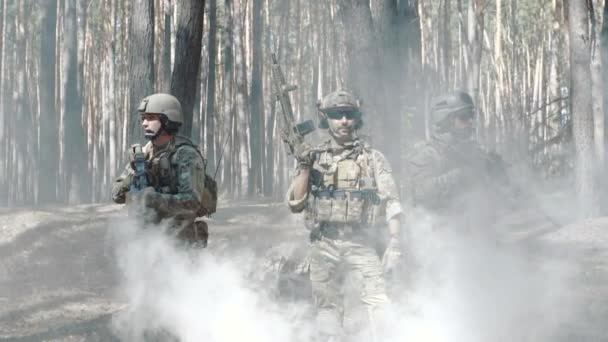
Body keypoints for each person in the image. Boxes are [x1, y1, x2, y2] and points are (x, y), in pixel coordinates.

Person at [286, 90, 403, 341]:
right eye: (337, 115)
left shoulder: (372, 158)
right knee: (327, 311)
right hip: (324, 242)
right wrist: (305, 166)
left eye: (349, 115)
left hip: (361, 243)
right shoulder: (313, 157)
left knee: (379, 304)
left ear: (356, 119)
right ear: (326, 120)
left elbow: (392, 201)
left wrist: (394, 242)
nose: (343, 121)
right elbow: (296, 203)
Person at [111, 93, 215, 246]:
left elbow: (192, 202)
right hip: (145, 239)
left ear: (168, 120)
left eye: (151, 118)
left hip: (179, 242)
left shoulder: (185, 155)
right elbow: (116, 194)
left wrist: (154, 199)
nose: (144, 123)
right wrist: (133, 180)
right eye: (143, 118)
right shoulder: (143, 154)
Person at [406, 91, 509, 225]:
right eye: (464, 117)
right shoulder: (429, 154)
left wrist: (498, 171)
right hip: (436, 231)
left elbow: (501, 193)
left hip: (475, 228)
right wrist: (458, 176)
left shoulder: (474, 151)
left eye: (471, 116)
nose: (470, 122)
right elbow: (421, 193)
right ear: (446, 120)